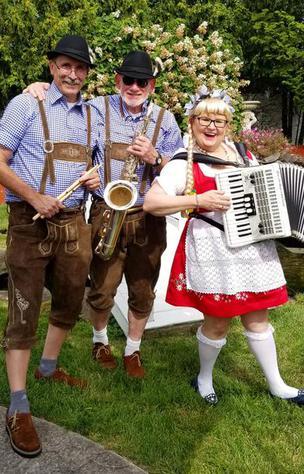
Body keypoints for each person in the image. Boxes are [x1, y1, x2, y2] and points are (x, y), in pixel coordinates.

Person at [25, 50, 183, 379]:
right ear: (117, 81)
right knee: (101, 287)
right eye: (129, 80)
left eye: (142, 82)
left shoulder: (165, 120)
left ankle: (133, 349)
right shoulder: (95, 108)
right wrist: (38, 86)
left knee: (143, 288)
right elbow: (65, 123)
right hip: (105, 211)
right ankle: (100, 341)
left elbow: (180, 173)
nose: (135, 87)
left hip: (147, 216)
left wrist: (155, 157)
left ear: (151, 85)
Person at [144, 86, 304, 405]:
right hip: (211, 248)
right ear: (192, 123)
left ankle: (277, 385)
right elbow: (151, 202)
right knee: (217, 321)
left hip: (252, 249)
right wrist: (197, 199)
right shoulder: (181, 163)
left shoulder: (243, 155)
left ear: (227, 125)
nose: (211, 126)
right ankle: (204, 379)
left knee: (258, 316)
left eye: (218, 120)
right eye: (204, 119)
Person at [0, 35, 101, 457]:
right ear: (52, 67)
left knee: (69, 298)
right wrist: (34, 196)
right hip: (30, 220)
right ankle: (18, 405)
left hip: (74, 220)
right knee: (24, 307)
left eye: (80, 68)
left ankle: (48, 368)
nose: (72, 74)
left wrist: (95, 179)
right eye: (65, 66)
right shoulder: (27, 104)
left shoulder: (94, 114)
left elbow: (95, 163)